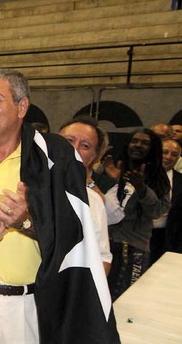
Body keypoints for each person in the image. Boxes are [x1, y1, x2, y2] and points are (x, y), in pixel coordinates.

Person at [0, 61, 118, 341]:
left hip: (23, 307)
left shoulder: (49, 163)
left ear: (22, 106)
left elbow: (71, 241)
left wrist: (24, 221)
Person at [105, 128, 170, 300]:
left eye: (145, 143)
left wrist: (141, 187)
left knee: (124, 301)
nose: (138, 145)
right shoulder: (111, 168)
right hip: (105, 245)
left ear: (153, 148)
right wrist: (112, 177)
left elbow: (157, 212)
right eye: (134, 141)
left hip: (134, 249)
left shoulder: (159, 178)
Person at [58, 117, 113, 274]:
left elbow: (103, 257)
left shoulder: (93, 200)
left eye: (85, 146)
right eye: (69, 140)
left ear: (93, 157)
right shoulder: (23, 183)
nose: (74, 149)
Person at [150, 139, 182, 260]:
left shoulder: (180, 181)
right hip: (138, 235)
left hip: (165, 238)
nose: (168, 157)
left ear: (178, 158)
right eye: (165, 152)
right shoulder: (141, 174)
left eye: (174, 154)